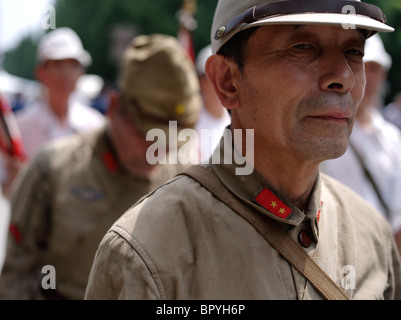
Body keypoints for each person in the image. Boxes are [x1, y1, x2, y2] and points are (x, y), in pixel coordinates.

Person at [85, 0, 401, 300]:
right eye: (303, 48)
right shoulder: (148, 251)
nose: (343, 76)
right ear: (227, 82)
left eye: (354, 52)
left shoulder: (370, 233)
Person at [0, 33, 202, 300]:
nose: (157, 152)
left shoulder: (185, 176)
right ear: (114, 107)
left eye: (170, 139)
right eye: (146, 134)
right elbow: (16, 277)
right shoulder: (52, 168)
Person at [0, 27, 105, 198]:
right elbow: (7, 192)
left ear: (81, 71)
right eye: (58, 65)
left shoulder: (96, 126)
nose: (66, 73)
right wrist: (16, 179)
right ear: (40, 72)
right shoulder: (18, 129)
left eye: (73, 65)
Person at [320, 34, 401, 255]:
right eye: (361, 65)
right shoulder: (322, 130)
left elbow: (397, 216)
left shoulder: (392, 138)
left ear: (384, 74)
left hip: (381, 255)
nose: (367, 76)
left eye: (374, 68)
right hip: (334, 251)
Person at [195, 44, 231, 162]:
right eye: (210, 77)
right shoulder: (189, 122)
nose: (219, 82)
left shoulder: (235, 122)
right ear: (200, 82)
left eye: (226, 76)